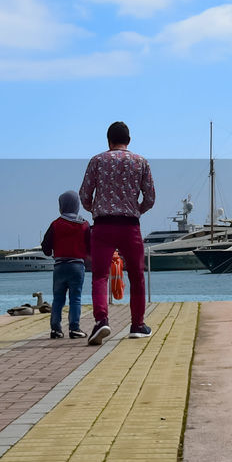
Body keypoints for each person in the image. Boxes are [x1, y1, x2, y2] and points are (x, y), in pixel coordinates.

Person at [79, 121, 156, 343]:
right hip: (130, 224)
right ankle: (138, 325)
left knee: (100, 276)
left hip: (102, 225)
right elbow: (150, 197)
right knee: (136, 275)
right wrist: (136, 210)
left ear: (108, 141)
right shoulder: (140, 162)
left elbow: (84, 194)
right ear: (128, 141)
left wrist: (96, 209)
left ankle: (102, 321)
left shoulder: (97, 161)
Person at [40, 190, 91, 340]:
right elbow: (90, 247)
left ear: (61, 206)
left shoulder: (56, 224)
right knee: (75, 298)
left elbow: (46, 246)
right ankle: (74, 328)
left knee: (58, 299)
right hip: (77, 266)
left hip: (60, 266)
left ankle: (56, 329)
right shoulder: (84, 224)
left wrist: (51, 251)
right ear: (77, 205)